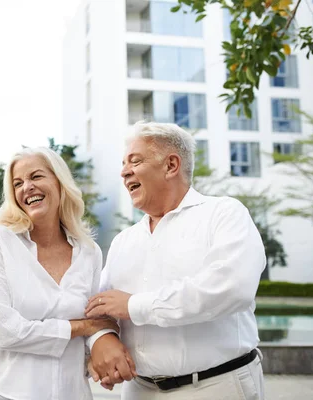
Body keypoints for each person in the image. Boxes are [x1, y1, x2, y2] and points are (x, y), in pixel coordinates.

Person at [84, 121, 267, 399]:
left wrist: (134, 305)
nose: (124, 172)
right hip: (138, 390)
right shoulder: (124, 241)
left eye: (135, 161)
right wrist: (101, 340)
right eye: (123, 163)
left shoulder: (224, 214)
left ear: (171, 165)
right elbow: (97, 306)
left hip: (215, 387)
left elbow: (232, 288)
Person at [0, 147, 128, 400]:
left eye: (36, 177)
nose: (26, 187)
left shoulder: (89, 252)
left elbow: (92, 321)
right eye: (18, 183)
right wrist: (82, 327)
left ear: (60, 183)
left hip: (67, 392)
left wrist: (96, 356)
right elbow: (4, 331)